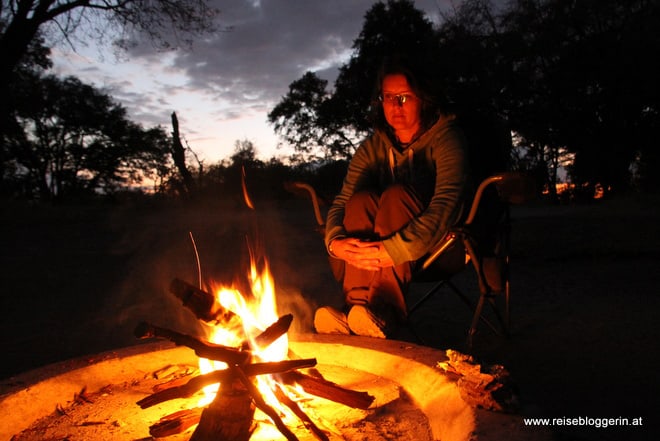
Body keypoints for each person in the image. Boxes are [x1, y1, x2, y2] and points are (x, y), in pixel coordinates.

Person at [314, 55, 472, 338]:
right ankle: (356, 309)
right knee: (360, 201)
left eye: (404, 97)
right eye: (388, 97)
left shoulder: (447, 139)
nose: (395, 106)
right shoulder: (373, 147)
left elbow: (447, 204)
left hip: (441, 247)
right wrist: (335, 243)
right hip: (383, 248)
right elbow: (342, 200)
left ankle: (385, 311)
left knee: (397, 196)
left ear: (423, 98)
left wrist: (395, 250)